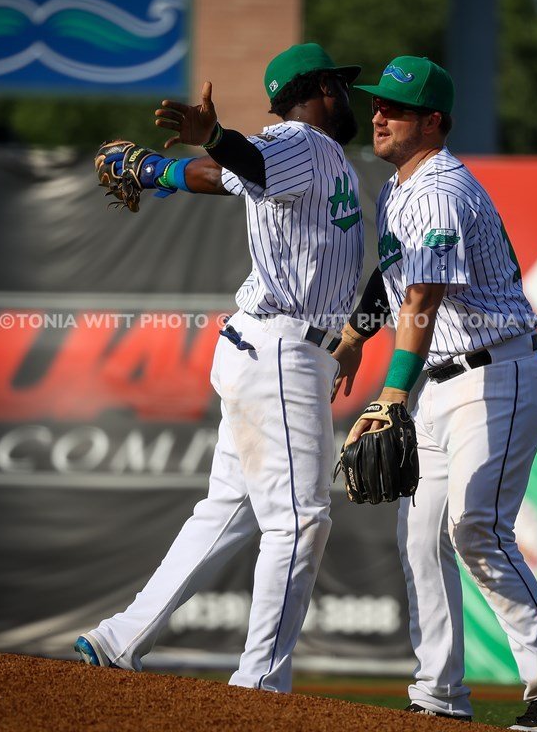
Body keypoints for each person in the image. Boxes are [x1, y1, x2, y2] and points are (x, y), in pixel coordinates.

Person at [75, 43, 365, 693]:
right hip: (281, 351)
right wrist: (216, 137)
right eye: (340, 85)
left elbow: (221, 176)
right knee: (300, 522)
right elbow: (243, 160)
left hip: (268, 349)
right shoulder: (300, 143)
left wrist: (154, 170)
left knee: (227, 512)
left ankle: (121, 637)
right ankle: (260, 685)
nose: (348, 96)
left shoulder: (302, 157)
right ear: (321, 89)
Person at [333, 56, 537, 731]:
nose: (378, 115)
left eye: (395, 108)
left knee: (476, 526)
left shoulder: (442, 189)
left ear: (434, 121)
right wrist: (357, 334)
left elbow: (422, 297)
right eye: (376, 104)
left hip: (498, 372)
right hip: (444, 379)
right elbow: (394, 276)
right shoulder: (400, 188)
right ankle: (438, 696)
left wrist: (391, 394)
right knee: (420, 535)